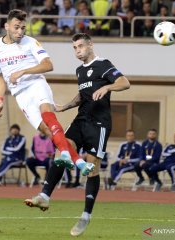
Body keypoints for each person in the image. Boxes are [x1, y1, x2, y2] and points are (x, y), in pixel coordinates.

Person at [24, 33, 130, 237]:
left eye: (81, 46)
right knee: (61, 149)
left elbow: (124, 82)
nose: (77, 50)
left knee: (92, 168)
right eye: (74, 47)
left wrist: (107, 86)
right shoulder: (80, 70)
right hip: (81, 120)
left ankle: (86, 215)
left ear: (90, 45)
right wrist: (65, 106)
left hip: (99, 124)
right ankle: (45, 195)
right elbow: (83, 94)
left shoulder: (103, 64)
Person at [0, 9, 94, 175]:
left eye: (23, 28)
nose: (20, 31)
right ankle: (80, 163)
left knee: (46, 112)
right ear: (6, 26)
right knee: (46, 130)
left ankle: (65, 154)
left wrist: (23, 71)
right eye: (16, 27)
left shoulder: (31, 42)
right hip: (20, 94)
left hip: (36, 83)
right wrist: (0, 99)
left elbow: (48, 65)